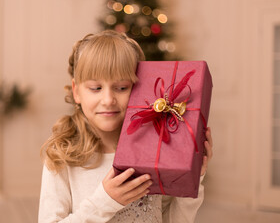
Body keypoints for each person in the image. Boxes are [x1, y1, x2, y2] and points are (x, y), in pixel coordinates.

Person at [38, 30, 213, 223]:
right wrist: (106, 201)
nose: (108, 100)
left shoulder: (153, 149)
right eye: (96, 88)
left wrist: (195, 176)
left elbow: (171, 219)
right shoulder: (61, 155)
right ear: (76, 91)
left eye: (121, 88)